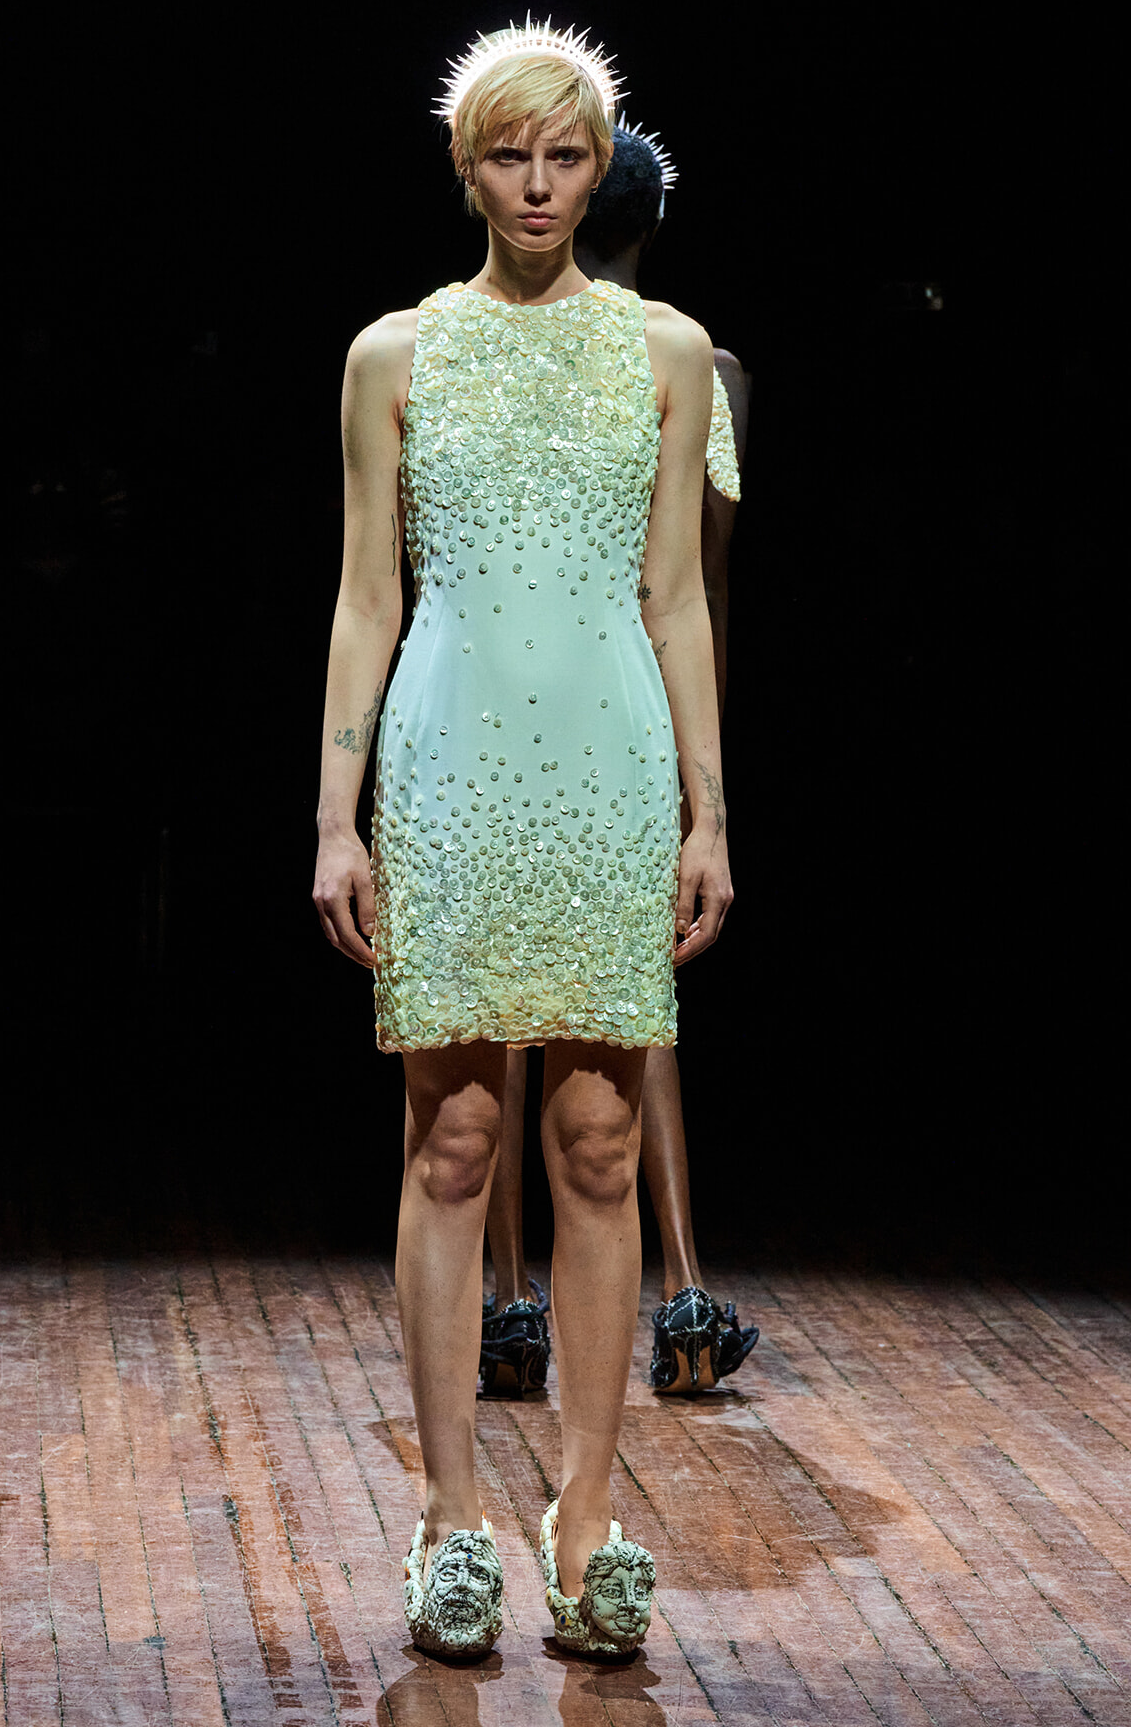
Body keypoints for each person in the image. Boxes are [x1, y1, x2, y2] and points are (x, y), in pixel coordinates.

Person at [313, 20, 732, 1661]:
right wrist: (332, 816)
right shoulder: (394, 356)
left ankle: (589, 1513)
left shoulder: (668, 353)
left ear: (598, 165)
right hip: (450, 764)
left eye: (565, 158)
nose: (541, 186)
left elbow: (677, 595)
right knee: (457, 1145)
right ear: (467, 168)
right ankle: (450, 1517)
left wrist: (710, 805)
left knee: (601, 1151)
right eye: (510, 158)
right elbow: (366, 594)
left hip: (607, 770)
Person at [481, 121, 759, 1398]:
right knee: (630, 1017)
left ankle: (510, 1303)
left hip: (534, 688)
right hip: (657, 696)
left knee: (505, 1021)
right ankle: (684, 1284)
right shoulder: (711, 365)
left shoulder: (488, 361)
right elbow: (705, 578)